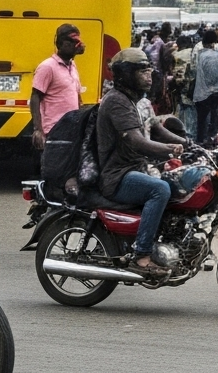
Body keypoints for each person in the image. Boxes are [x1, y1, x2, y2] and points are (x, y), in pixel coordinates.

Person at [94, 46, 200, 272]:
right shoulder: (116, 101)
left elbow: (156, 129)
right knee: (159, 189)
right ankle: (141, 256)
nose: (149, 75)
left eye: (149, 70)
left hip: (137, 168)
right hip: (118, 175)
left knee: (178, 185)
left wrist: (190, 144)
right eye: (142, 71)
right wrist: (169, 151)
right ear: (125, 75)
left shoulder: (138, 101)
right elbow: (136, 141)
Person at [27, 23, 85, 154]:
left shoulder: (72, 65)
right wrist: (38, 129)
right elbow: (35, 97)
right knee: (55, 170)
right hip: (54, 131)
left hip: (71, 129)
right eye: (73, 42)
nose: (78, 45)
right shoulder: (47, 67)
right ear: (63, 44)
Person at [191, 24, 218, 145]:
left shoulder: (199, 54)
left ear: (203, 42)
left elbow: (194, 72)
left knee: (201, 120)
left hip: (201, 93)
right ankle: (215, 140)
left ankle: (200, 143)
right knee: (216, 117)